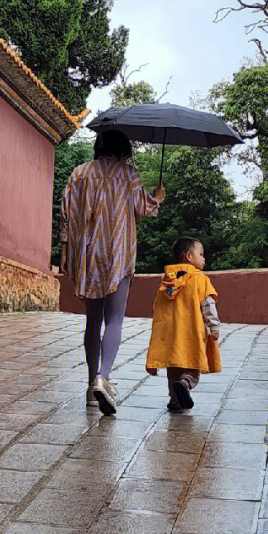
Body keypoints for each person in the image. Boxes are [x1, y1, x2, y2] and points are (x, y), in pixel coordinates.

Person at [60, 129, 164, 415]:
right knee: (115, 318)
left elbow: (66, 215)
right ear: (123, 149)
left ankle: (91, 385)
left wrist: (65, 251)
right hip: (118, 254)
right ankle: (104, 378)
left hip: (87, 256)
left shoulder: (78, 174)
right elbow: (142, 209)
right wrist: (157, 199)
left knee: (92, 321)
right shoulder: (128, 174)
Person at [146, 237, 222, 411]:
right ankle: (185, 383)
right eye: (201, 254)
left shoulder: (167, 282)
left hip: (171, 338)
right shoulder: (200, 279)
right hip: (191, 335)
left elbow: (158, 309)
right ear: (189, 256)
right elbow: (208, 304)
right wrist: (213, 326)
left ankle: (175, 401)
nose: (204, 258)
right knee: (192, 368)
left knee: (172, 370)